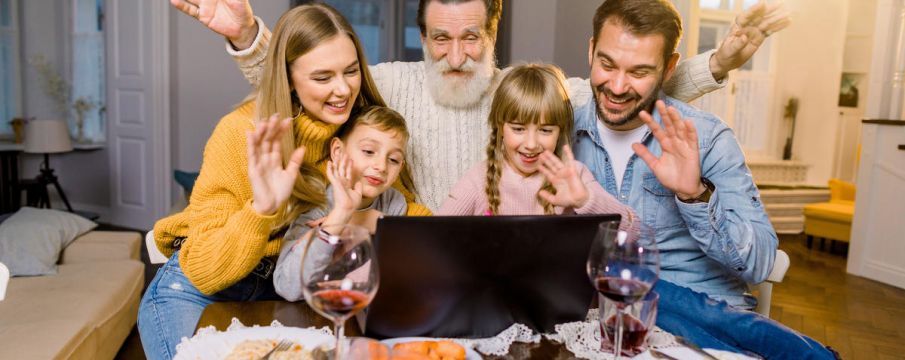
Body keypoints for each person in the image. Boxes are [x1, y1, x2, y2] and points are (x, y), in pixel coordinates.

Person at [169, 0, 789, 211]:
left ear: (494, 35)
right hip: (409, 250)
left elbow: (622, 93)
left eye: (472, 37)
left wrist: (717, 65)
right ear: (423, 37)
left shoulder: (525, 90)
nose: (457, 53)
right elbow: (306, 81)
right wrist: (248, 36)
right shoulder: (389, 81)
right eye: (441, 37)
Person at [137, 5, 428, 359]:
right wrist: (262, 210)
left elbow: (408, 214)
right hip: (200, 291)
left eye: (351, 71)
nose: (342, 90)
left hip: (288, 289)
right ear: (288, 78)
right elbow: (204, 272)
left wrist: (364, 220)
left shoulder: (360, 132)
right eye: (322, 78)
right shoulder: (240, 134)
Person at [572, 0, 837, 358]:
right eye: (607, 64)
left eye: (639, 72)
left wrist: (694, 195)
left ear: (669, 68)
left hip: (704, 325)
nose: (617, 86)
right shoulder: (557, 130)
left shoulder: (709, 138)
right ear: (590, 50)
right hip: (602, 322)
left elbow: (760, 261)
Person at [438, 63, 635, 227]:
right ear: (500, 128)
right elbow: (433, 236)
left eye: (546, 130)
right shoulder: (479, 180)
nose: (531, 144)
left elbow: (633, 233)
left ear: (560, 131)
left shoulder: (573, 176)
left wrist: (585, 200)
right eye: (518, 129)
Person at [275, 106, 412, 301]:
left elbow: (396, 275)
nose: (381, 166)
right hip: (311, 314)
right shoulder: (316, 201)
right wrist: (340, 217)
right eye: (368, 151)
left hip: (358, 311)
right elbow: (287, 287)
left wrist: (376, 220)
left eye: (393, 159)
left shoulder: (393, 202)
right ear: (338, 151)